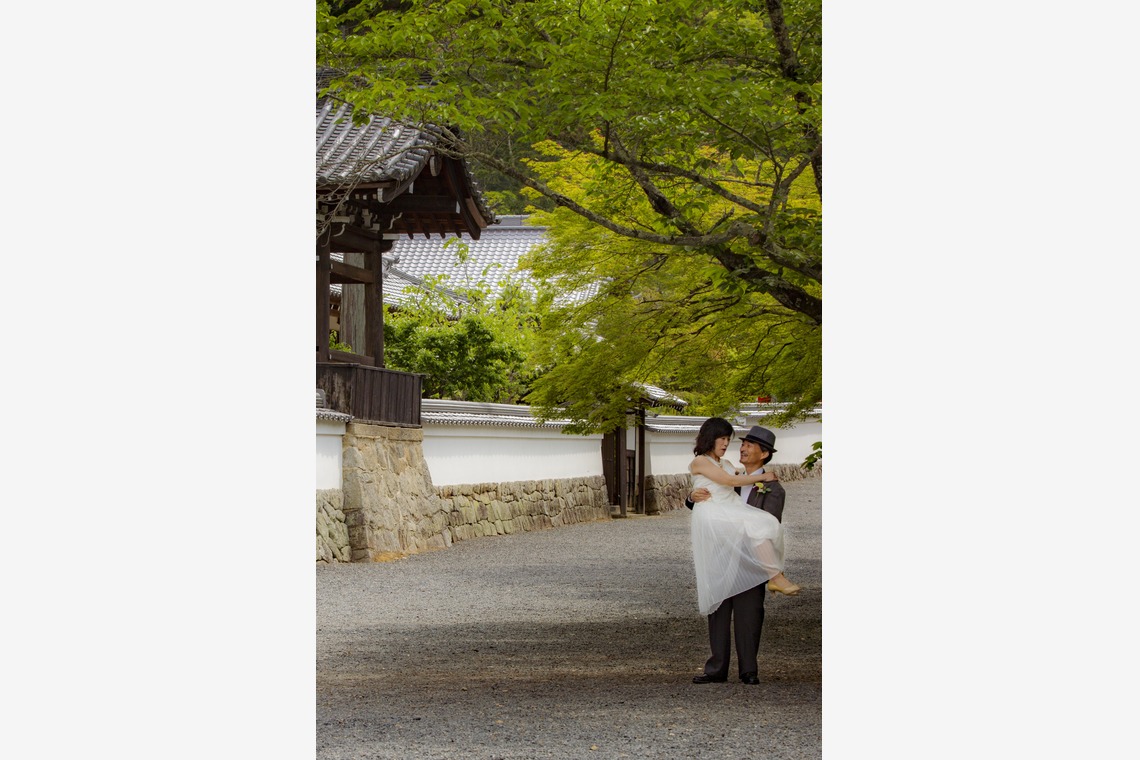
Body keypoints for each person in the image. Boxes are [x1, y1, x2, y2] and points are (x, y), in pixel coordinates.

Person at [686, 418, 800, 685]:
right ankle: (716, 669)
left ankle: (749, 670)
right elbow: (713, 492)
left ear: (765, 454)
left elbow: (769, 523)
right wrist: (692, 496)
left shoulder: (773, 488)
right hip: (721, 551)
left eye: (750, 445)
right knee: (719, 611)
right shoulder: (731, 474)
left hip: (751, 557)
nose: (741, 447)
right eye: (742, 442)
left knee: (750, 615)